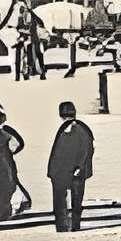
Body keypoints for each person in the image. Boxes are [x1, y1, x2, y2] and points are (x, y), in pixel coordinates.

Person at [48, 99, 96, 233]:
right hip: (72, 171)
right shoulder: (81, 129)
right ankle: (72, 225)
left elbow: (59, 152)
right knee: (76, 200)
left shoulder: (72, 129)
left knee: (63, 200)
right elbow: (87, 149)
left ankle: (65, 226)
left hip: (67, 170)